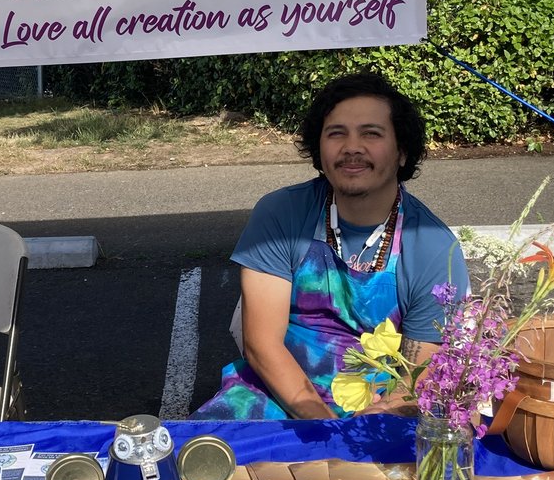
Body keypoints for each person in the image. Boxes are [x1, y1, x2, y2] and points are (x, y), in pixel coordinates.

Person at [194, 72, 468, 420]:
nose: (352, 147)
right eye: (336, 133)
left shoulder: (433, 247)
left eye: (372, 133)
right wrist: (323, 425)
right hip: (274, 393)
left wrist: (373, 421)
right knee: (203, 463)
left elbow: (418, 373)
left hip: (380, 410)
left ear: (402, 152)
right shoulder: (281, 215)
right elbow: (260, 344)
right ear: (319, 150)